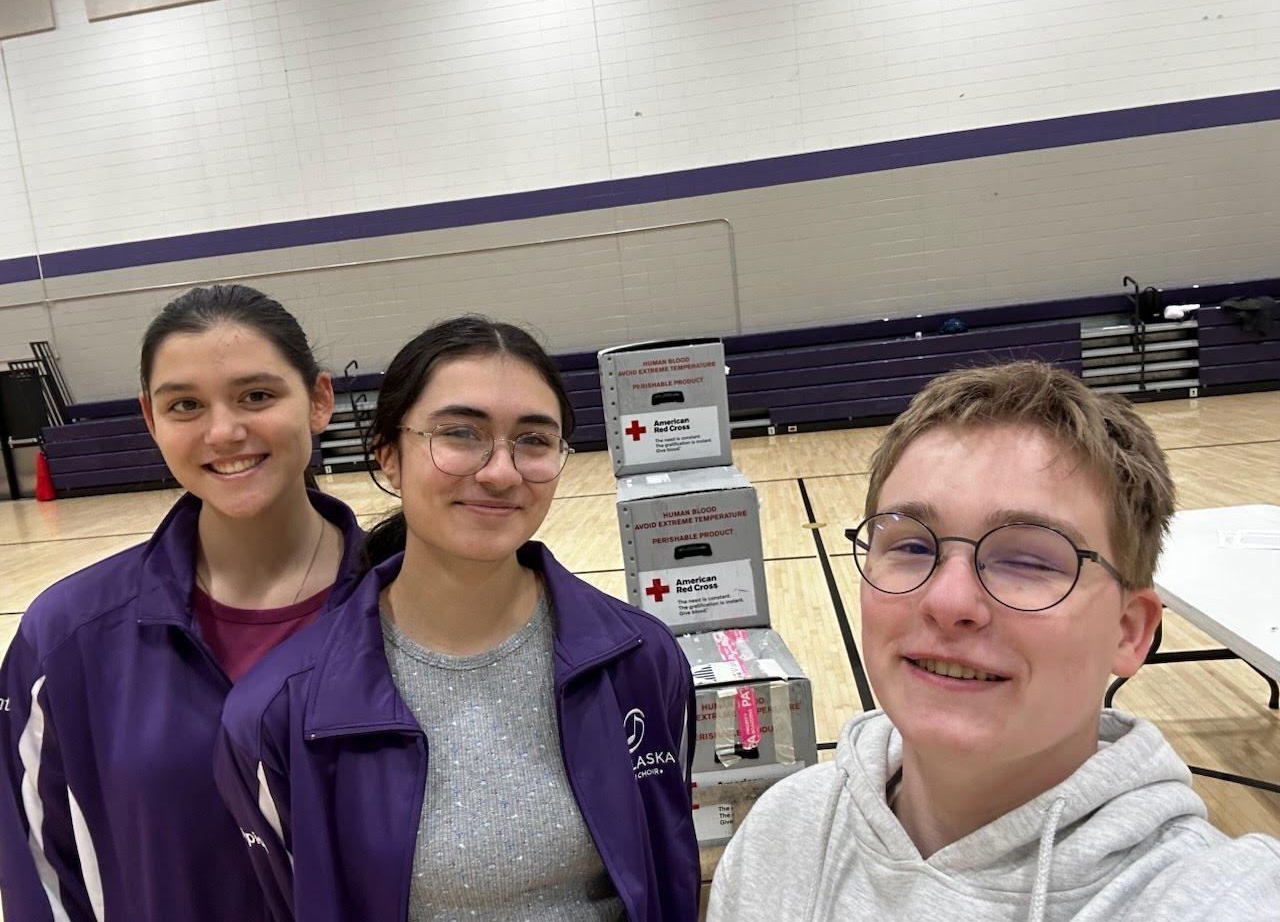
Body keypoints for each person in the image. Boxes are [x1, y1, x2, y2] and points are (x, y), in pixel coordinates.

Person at [709, 361, 1280, 921]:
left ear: (1129, 632)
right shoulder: (780, 833)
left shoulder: (1210, 896)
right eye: (911, 547)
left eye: (1028, 560)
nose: (948, 601)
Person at [214, 316, 700, 922]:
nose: (500, 472)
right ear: (388, 456)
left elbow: (669, 873)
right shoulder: (277, 714)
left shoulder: (643, 660)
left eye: (534, 440)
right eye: (460, 434)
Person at [0, 284, 364, 921]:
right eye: (186, 405)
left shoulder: (410, 607)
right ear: (151, 418)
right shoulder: (65, 637)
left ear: (319, 400)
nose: (224, 431)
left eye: (257, 395)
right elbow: (40, 874)